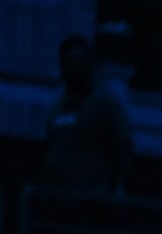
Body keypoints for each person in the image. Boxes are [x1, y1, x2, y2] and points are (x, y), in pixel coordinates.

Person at [42, 35, 132, 201]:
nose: (75, 68)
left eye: (80, 62)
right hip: (59, 198)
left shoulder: (104, 103)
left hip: (91, 199)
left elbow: (123, 145)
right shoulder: (57, 108)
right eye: (69, 62)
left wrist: (119, 187)